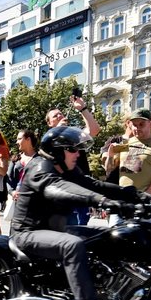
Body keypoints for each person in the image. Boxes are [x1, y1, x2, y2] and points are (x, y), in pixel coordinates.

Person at [12, 126, 148, 300]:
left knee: (109, 236)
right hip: (28, 233)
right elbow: (59, 189)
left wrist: (133, 195)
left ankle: (114, 296)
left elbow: (91, 184)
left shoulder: (66, 169)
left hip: (58, 229)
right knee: (72, 246)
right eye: (72, 150)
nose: (78, 154)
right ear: (57, 151)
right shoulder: (40, 168)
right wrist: (104, 203)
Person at [45, 86, 101, 225]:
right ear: (49, 123)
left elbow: (94, 129)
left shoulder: (75, 135)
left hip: (80, 192)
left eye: (61, 114)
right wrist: (59, 130)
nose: (60, 116)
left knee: (80, 232)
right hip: (62, 194)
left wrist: (82, 109)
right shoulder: (48, 140)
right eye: (55, 116)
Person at [104, 109, 151, 196]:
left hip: (144, 198)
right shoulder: (124, 143)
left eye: (141, 124)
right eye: (134, 124)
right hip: (123, 197)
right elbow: (109, 170)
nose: (137, 128)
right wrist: (110, 155)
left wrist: (148, 194)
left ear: (150, 124)